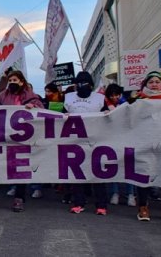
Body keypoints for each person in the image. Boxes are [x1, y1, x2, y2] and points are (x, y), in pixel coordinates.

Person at [0, 70, 43, 212]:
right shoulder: (3, 95)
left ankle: (19, 199)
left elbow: (41, 108)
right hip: (3, 136)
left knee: (20, 169)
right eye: (10, 80)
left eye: (15, 80)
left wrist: (34, 107)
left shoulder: (31, 96)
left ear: (21, 81)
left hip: (21, 139)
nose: (12, 83)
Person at [132, 71, 161, 222]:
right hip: (144, 142)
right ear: (146, 84)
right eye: (151, 82)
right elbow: (124, 112)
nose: (154, 84)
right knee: (144, 173)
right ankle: (143, 207)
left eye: (157, 82)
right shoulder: (138, 98)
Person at [63, 71, 109, 216]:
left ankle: (101, 204)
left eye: (85, 83)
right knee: (78, 173)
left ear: (91, 85)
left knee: (97, 173)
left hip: (97, 140)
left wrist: (108, 113)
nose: (82, 86)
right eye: (79, 83)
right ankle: (78, 202)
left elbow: (110, 114)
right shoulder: (68, 98)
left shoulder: (100, 98)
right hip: (76, 140)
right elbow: (60, 115)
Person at [103, 83, 136, 207]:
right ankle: (115, 193)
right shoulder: (104, 105)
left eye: (116, 95)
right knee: (113, 167)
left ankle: (131, 194)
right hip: (111, 140)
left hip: (128, 139)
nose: (114, 98)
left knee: (129, 168)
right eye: (111, 96)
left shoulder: (129, 103)